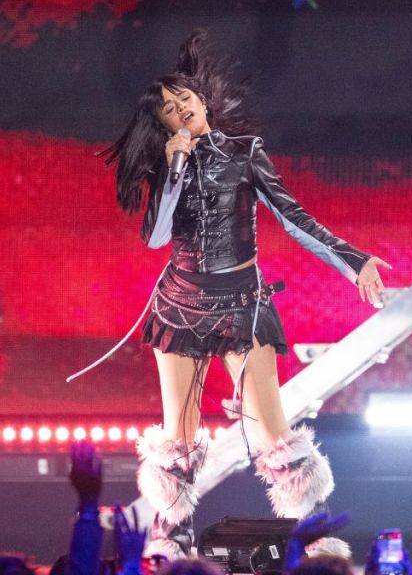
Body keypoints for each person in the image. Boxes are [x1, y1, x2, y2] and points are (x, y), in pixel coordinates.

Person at [94, 30, 390, 559]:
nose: (181, 108)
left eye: (185, 97)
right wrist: (176, 167)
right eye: (168, 108)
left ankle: (313, 535)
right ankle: (172, 536)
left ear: (201, 100)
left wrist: (355, 261)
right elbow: (156, 236)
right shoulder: (167, 168)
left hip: (243, 305)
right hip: (181, 305)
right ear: (161, 124)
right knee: (176, 438)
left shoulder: (245, 153)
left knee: (273, 431)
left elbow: (293, 218)